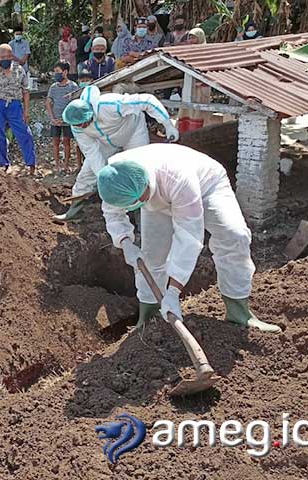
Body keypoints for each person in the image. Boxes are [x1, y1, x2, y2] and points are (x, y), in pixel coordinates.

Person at [96, 144, 282, 333]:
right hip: (159, 199)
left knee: (234, 236)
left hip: (207, 187)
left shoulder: (177, 177)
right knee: (152, 256)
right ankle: (148, 316)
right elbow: (112, 213)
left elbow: (189, 236)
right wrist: (124, 241)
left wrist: (173, 291)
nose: (137, 204)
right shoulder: (113, 180)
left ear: (146, 182)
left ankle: (239, 311)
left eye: (139, 199)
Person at [57, 85, 178, 222]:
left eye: (83, 123)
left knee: (139, 171)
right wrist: (104, 178)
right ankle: (75, 210)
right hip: (107, 142)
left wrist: (167, 124)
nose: (80, 127)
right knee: (87, 173)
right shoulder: (77, 126)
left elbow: (147, 101)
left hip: (133, 133)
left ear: (90, 114)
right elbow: (91, 152)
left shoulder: (110, 104)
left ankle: (142, 215)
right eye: (77, 125)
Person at [0, 44, 36, 175]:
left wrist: (26, 111)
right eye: (3, 57)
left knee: (25, 133)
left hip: (15, 105)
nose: (6, 59)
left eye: (8, 56)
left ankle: (31, 164)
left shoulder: (19, 70)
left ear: (12, 56)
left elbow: (26, 91)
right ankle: (4, 164)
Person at [46, 62, 79, 175]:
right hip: (55, 120)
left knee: (66, 142)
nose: (56, 74)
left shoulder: (73, 86)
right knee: (55, 141)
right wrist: (52, 118)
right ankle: (57, 165)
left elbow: (75, 104)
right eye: (55, 72)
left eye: (58, 72)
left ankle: (66, 165)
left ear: (65, 72)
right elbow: (48, 103)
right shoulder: (53, 87)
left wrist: (67, 119)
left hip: (67, 121)